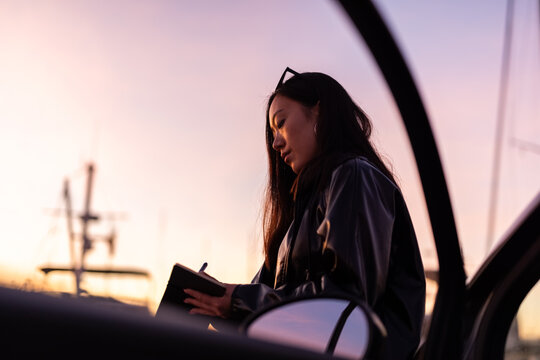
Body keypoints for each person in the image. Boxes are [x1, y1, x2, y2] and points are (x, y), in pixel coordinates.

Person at [183, 68, 426, 359]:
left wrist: (237, 300)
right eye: (272, 134)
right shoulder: (294, 223)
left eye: (281, 123)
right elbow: (269, 306)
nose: (275, 144)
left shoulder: (354, 177)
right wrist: (217, 302)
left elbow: (345, 304)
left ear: (319, 113)